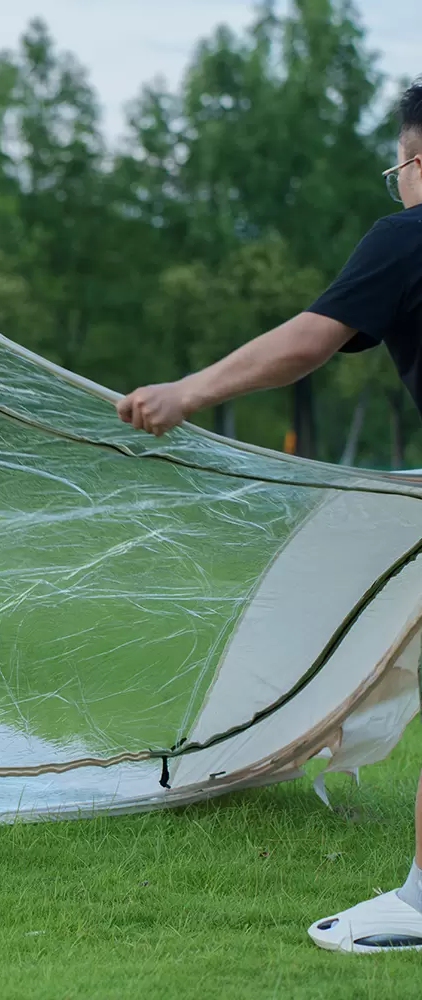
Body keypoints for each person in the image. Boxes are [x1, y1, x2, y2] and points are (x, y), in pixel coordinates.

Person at [117, 79, 422, 953]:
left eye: (394, 168)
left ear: (415, 162)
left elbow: (307, 340)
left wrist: (189, 390)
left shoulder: (409, 234)